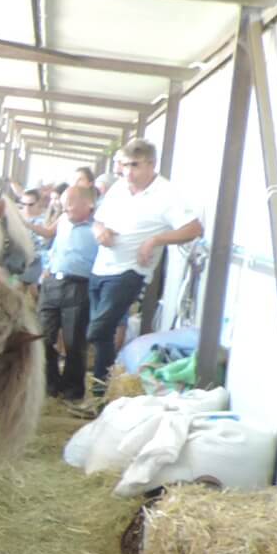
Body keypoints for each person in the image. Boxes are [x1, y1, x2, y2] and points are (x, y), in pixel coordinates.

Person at [88, 138, 203, 387]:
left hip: (130, 271)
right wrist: (100, 232)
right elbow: (98, 220)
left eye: (135, 165)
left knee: (99, 330)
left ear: (151, 164)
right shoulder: (119, 188)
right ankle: (99, 389)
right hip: (101, 268)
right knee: (102, 334)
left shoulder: (167, 194)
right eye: (125, 165)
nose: (128, 172)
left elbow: (194, 228)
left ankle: (102, 384)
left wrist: (156, 240)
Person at [39, 185, 97, 400]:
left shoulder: (97, 228)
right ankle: (50, 384)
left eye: (70, 204)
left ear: (88, 204)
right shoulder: (63, 221)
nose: (65, 208)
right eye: (64, 204)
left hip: (79, 285)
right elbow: (54, 247)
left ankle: (72, 389)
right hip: (53, 282)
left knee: (74, 343)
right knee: (42, 336)